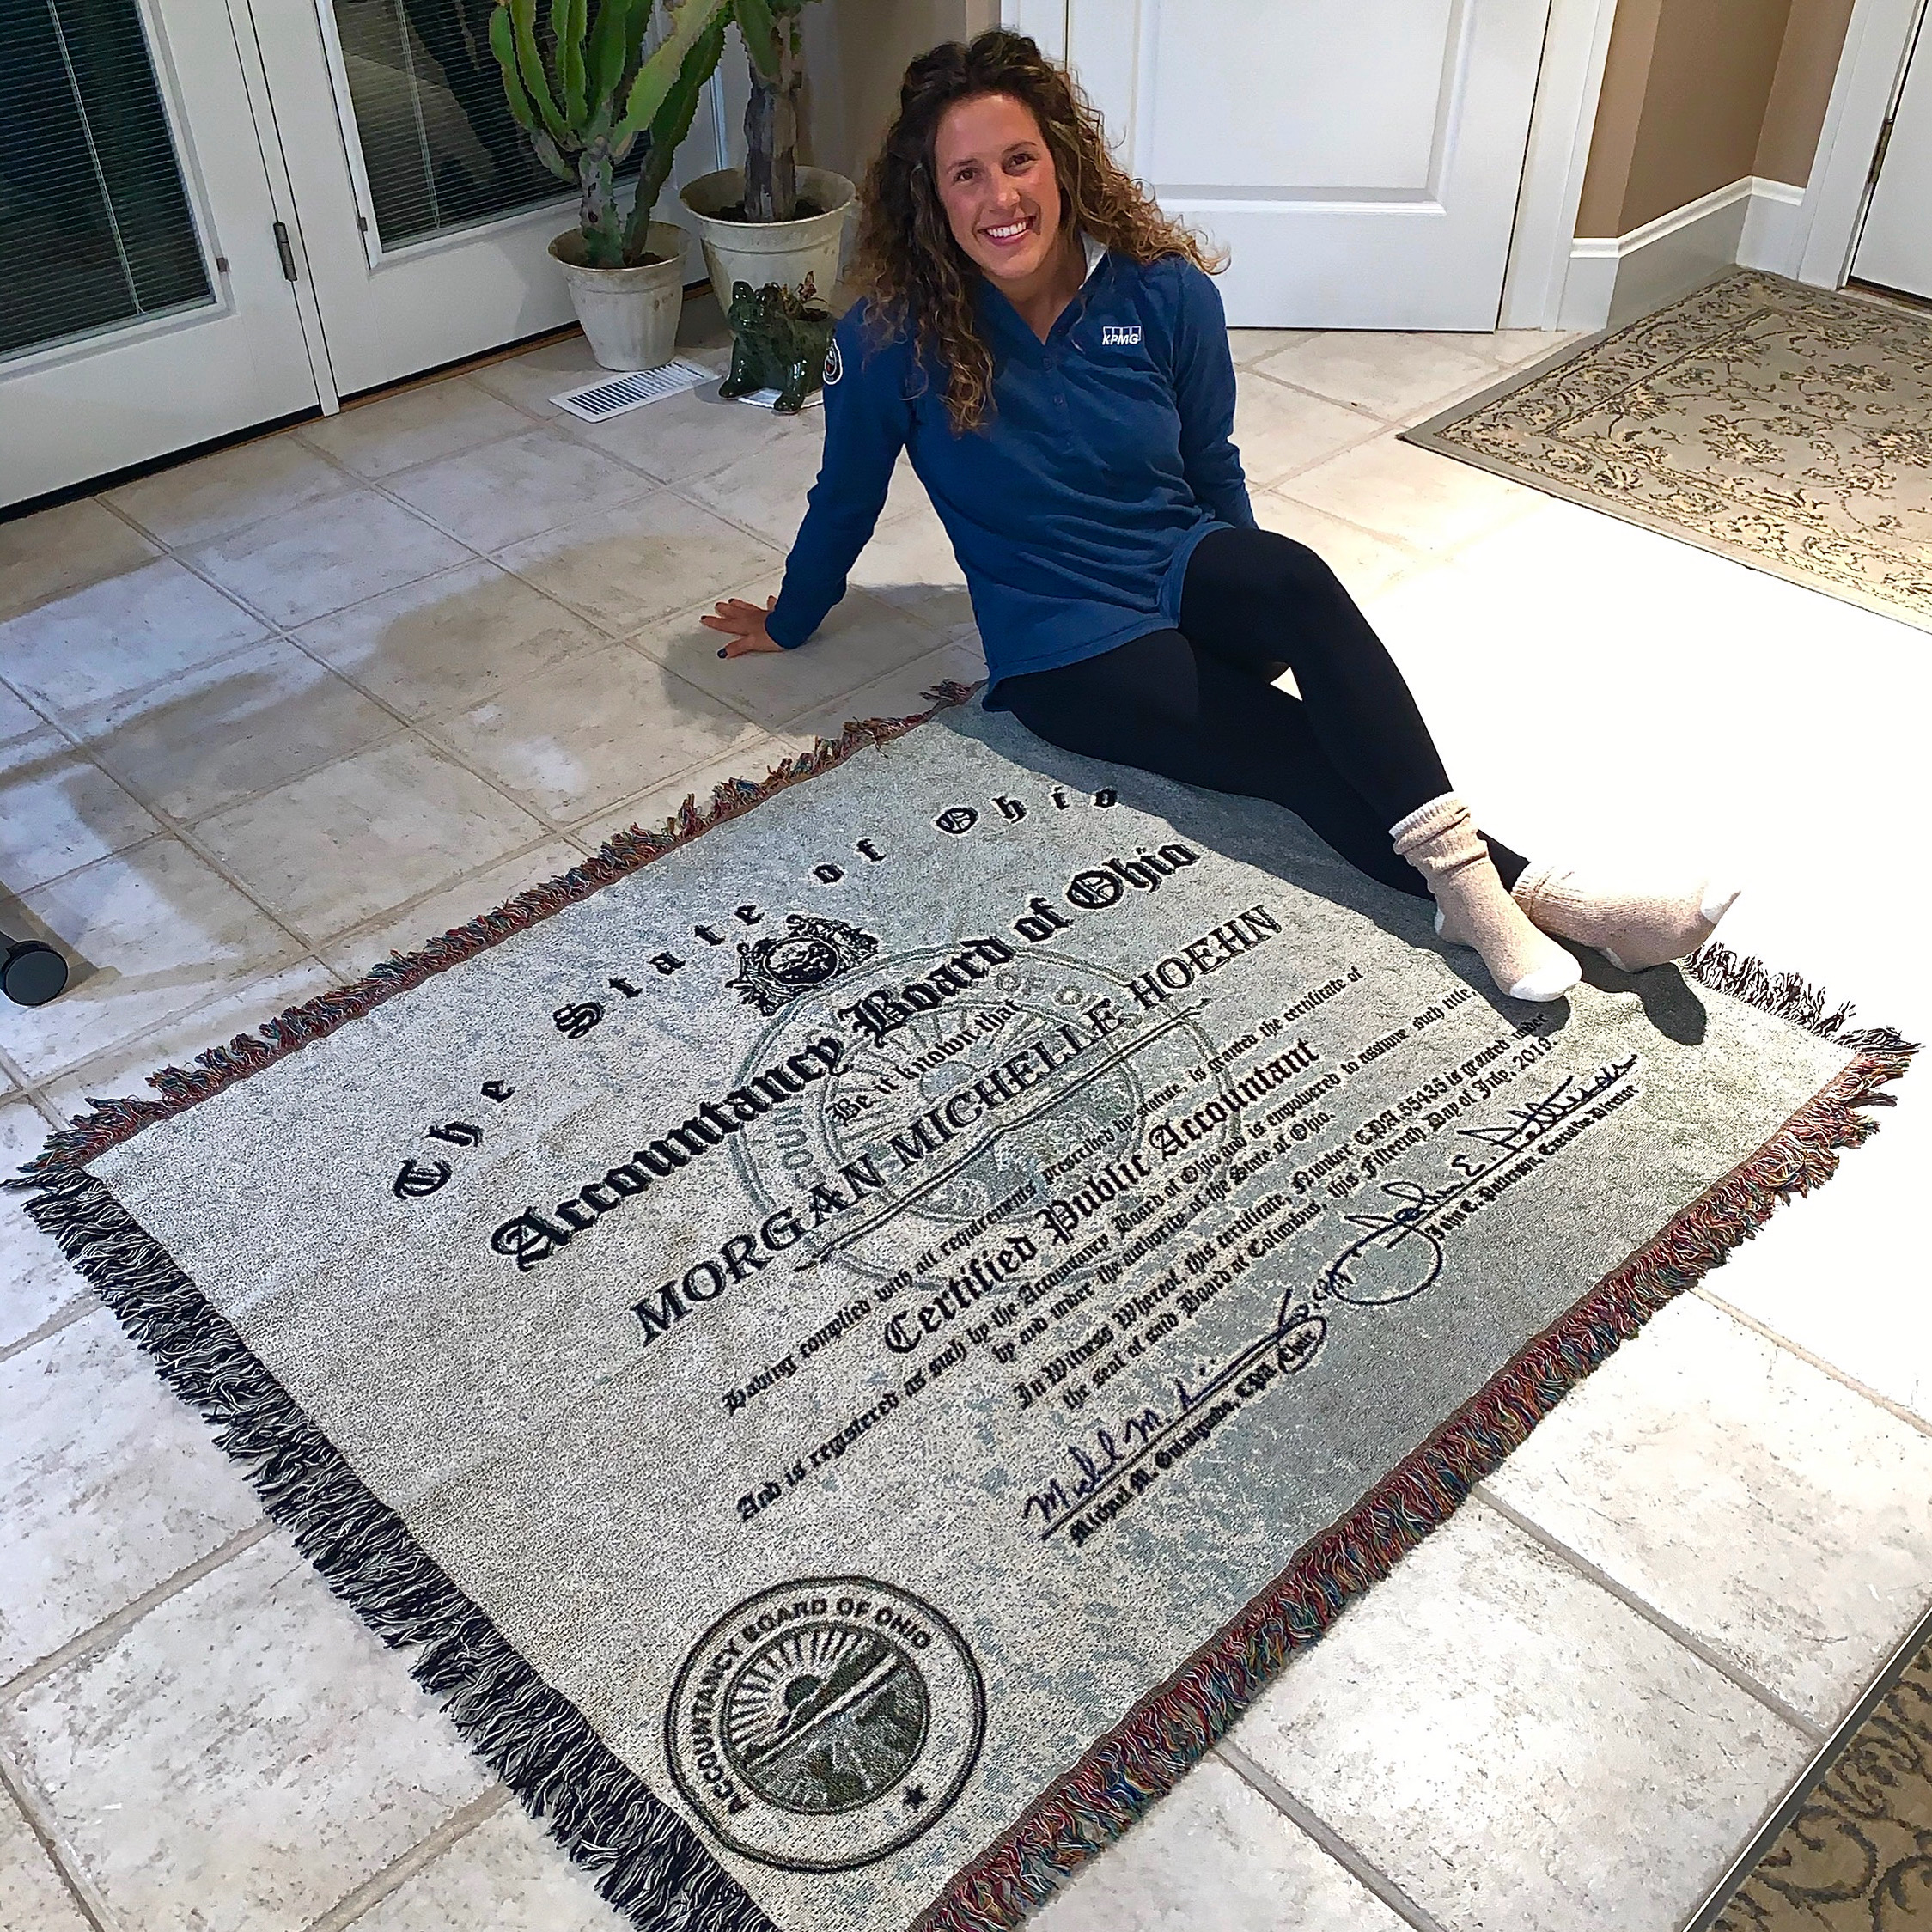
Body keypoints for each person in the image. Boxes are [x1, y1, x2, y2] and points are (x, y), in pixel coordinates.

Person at [701, 29, 1734, 1003]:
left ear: (1058, 160)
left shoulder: (1162, 292)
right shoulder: (889, 340)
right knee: (1288, 751)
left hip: (1174, 564)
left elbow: (1208, 465)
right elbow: (845, 498)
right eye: (964, 173)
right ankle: (1538, 897)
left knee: (1289, 573)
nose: (999, 196)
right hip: (1066, 647)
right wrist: (790, 618)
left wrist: (1249, 611)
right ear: (929, 195)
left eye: (1017, 160)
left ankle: (1500, 898)